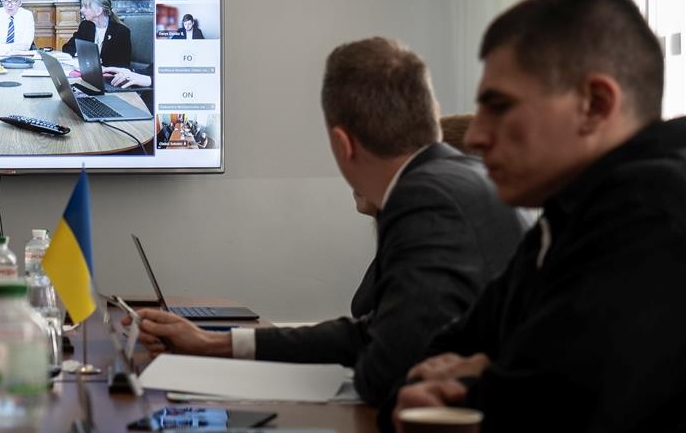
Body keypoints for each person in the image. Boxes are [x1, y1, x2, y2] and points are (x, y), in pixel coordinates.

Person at [386, 0, 686, 433]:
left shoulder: (651, 209)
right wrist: (483, 379)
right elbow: (403, 372)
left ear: (595, 104)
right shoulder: (564, 214)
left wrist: (477, 377)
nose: (474, 136)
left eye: (499, 106)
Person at [135, 38, 527, 406]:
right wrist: (212, 343)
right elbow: (375, 331)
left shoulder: (424, 196)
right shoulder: (461, 176)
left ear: (344, 144)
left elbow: (388, 374)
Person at [62, 0, 132, 68]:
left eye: (86, 7)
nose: (81, 10)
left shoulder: (121, 31)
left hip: (109, 74)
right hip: (88, 70)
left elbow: (123, 64)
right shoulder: (85, 26)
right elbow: (67, 48)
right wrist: (85, 57)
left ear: (99, 11)